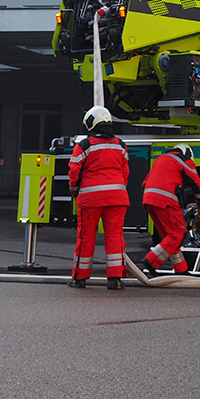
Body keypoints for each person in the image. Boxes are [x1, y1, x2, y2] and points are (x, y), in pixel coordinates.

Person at [68, 106, 130, 290]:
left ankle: (79, 279)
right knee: (115, 237)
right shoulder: (121, 145)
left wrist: (74, 190)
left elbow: (74, 171)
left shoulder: (84, 145)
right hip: (117, 198)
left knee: (86, 237)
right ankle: (115, 279)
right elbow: (125, 172)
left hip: (90, 199)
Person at [138, 143, 200, 278]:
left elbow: (144, 184)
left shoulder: (161, 159)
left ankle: (181, 270)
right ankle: (150, 261)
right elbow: (197, 184)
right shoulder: (183, 160)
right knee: (178, 235)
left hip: (149, 199)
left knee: (169, 237)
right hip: (166, 200)